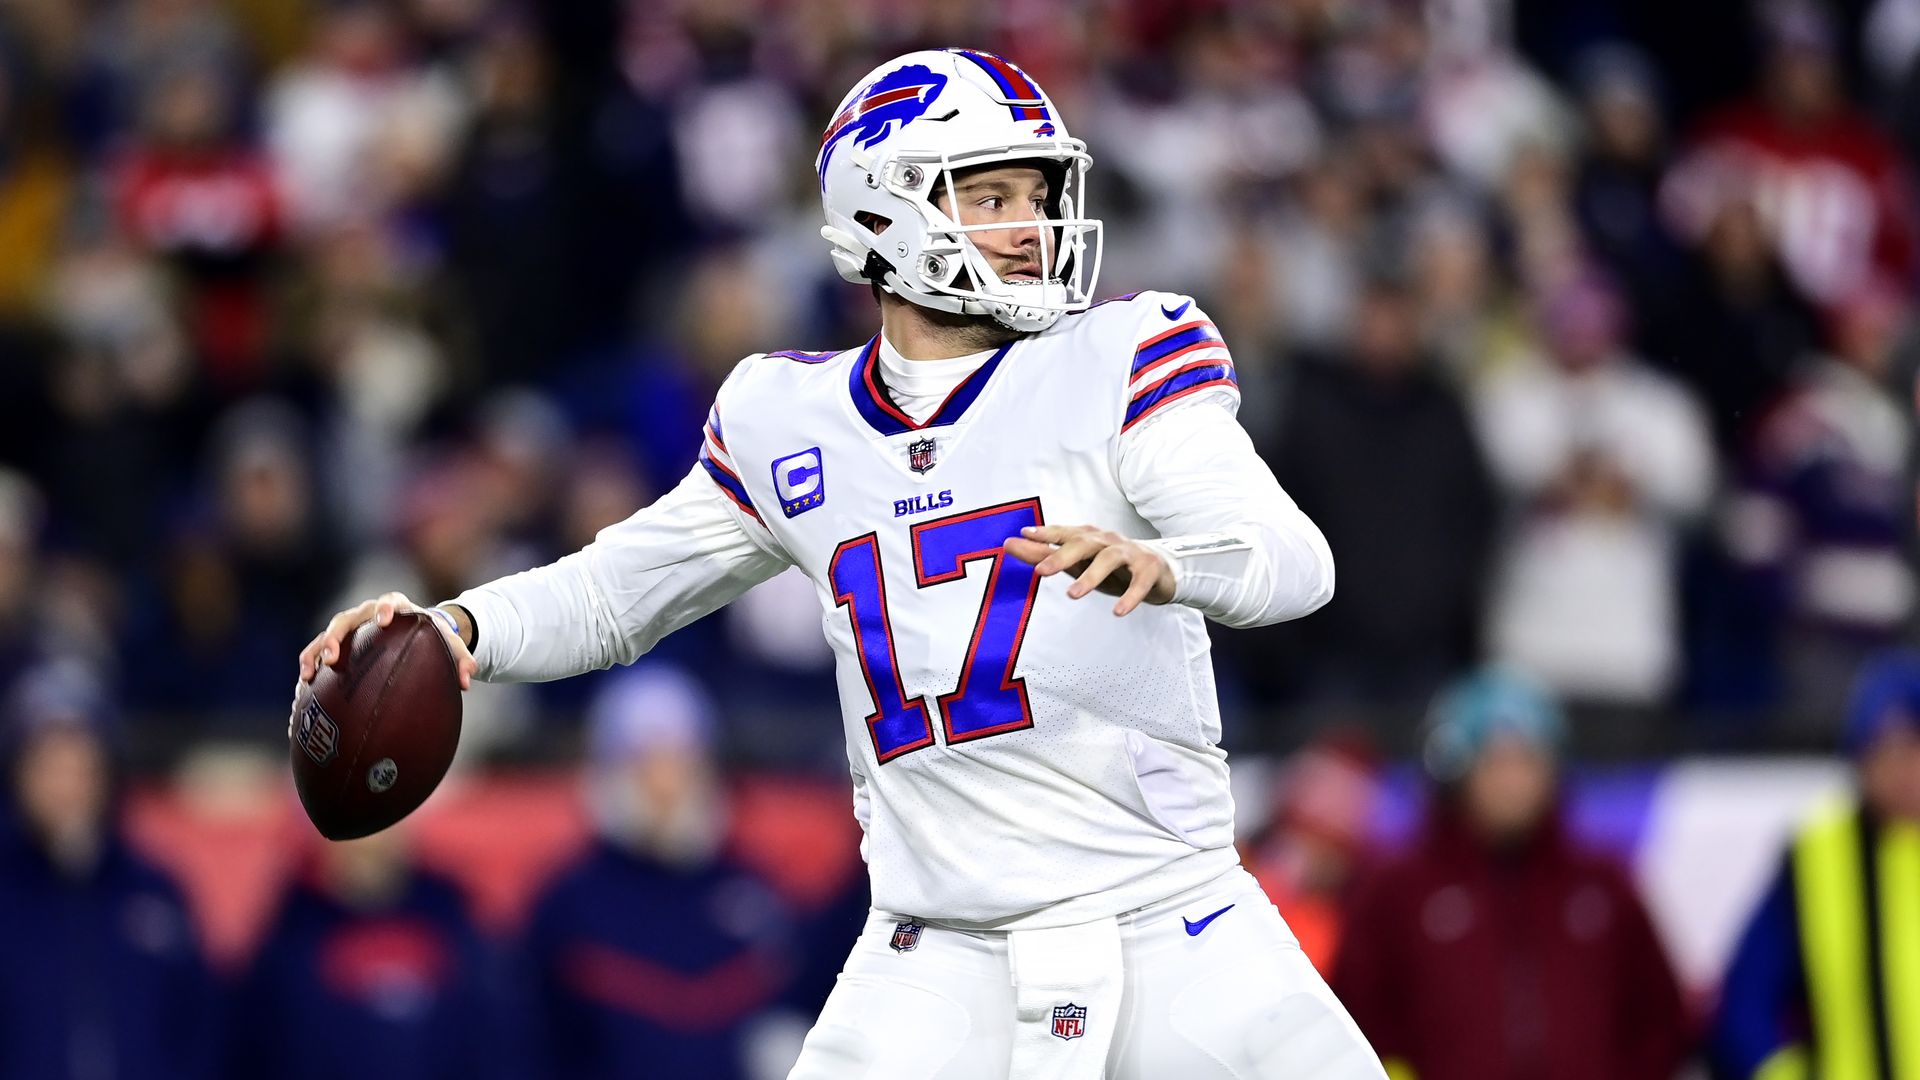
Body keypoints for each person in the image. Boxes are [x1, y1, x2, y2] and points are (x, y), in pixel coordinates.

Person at [301, 48, 1381, 1079]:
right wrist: (455, 630)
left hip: (1171, 919)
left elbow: (1292, 561)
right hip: (939, 950)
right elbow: (615, 591)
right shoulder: (788, 419)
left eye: (1038, 196)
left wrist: (1168, 561)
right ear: (882, 213)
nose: (1032, 228)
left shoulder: (1122, 356)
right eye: (990, 197)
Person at [1331, 669, 1689, 1080]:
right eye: (1495, 762)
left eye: (1528, 761)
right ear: (1458, 771)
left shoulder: (1603, 885)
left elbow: (1659, 1019)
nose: (1512, 783)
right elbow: (1354, 1022)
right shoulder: (1395, 891)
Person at [522, 662, 806, 1080]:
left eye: (682, 762)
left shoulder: (757, 896)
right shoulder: (564, 906)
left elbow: (793, 1017)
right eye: (646, 765)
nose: (668, 787)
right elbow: (529, 1047)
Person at [0, 660, 220, 1080]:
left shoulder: (157, 891)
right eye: (49, 766)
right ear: (18, 777)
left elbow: (202, 1031)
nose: (67, 786)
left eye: (81, 766)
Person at [1711, 651, 1920, 1079]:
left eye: (1915, 749)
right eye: (1886, 752)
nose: (1905, 771)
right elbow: (1746, 1000)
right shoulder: (1817, 855)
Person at [226, 823, 510, 1080]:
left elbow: (498, 1038)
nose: (367, 843)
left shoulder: (452, 917)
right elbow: (258, 1045)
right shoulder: (291, 927)